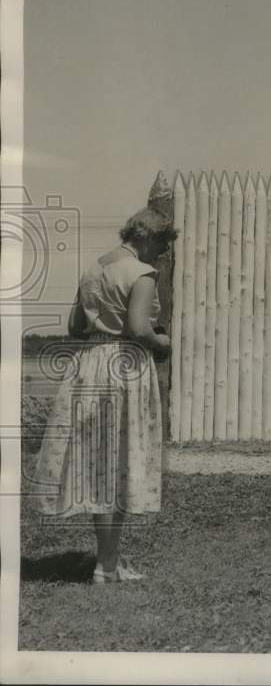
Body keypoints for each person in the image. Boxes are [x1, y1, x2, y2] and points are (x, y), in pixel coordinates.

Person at [31, 208, 176, 584]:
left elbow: (75, 327)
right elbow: (139, 328)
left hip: (89, 364)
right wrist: (162, 342)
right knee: (121, 462)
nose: (160, 254)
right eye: (160, 244)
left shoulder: (94, 269)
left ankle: (106, 563)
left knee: (101, 465)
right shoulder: (142, 273)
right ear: (144, 236)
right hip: (124, 368)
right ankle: (106, 565)